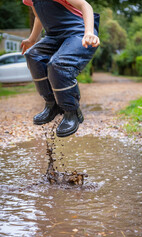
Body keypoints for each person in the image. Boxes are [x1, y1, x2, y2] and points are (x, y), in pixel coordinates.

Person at [21, 0, 100, 137]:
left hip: (78, 32)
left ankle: (71, 111)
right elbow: (39, 17)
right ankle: (52, 104)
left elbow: (85, 5)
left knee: (58, 64)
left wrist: (88, 32)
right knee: (33, 56)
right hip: (54, 36)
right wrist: (32, 39)